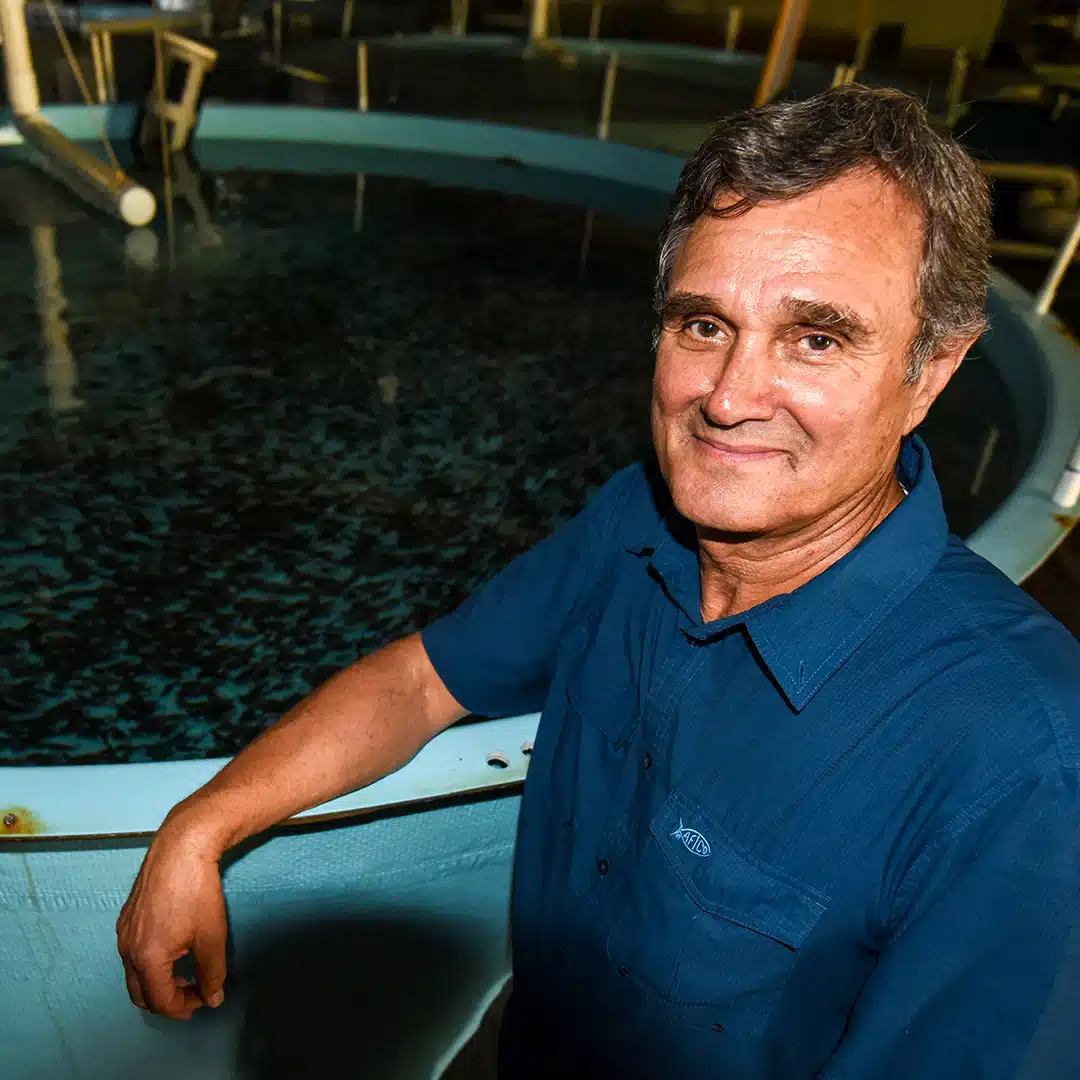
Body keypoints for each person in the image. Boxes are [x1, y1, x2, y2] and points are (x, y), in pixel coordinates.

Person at [117, 85, 1080, 1079]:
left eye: (817, 339)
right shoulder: (636, 522)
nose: (730, 396)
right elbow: (420, 681)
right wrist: (203, 823)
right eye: (703, 325)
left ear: (932, 373)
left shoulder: (1024, 767)